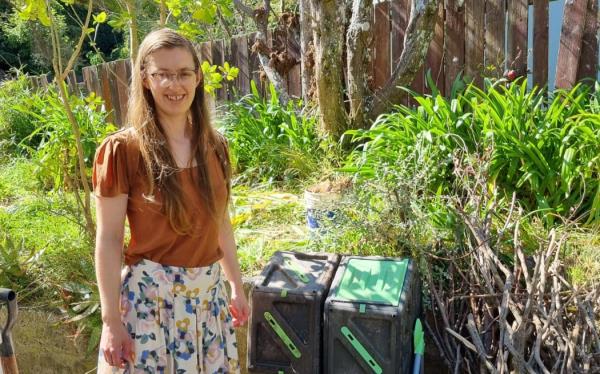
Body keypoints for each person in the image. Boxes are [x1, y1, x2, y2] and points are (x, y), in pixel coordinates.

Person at [93, 28, 249, 373]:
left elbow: (220, 222)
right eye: (162, 74)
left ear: (197, 78)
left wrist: (236, 286)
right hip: (150, 306)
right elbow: (108, 240)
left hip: (209, 301)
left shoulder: (215, 146)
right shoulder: (123, 151)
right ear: (146, 80)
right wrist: (110, 322)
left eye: (183, 73)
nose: (174, 85)